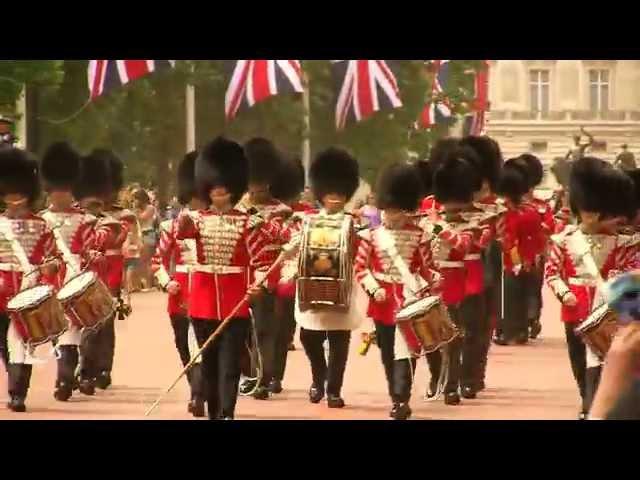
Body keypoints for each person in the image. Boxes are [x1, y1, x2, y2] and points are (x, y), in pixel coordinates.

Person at [175, 136, 282, 420]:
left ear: (233, 189)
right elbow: (181, 240)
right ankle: (213, 413)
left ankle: (227, 413)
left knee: (230, 365)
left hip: (236, 301)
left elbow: (262, 259)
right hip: (202, 301)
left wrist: (257, 284)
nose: (219, 194)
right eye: (214, 189)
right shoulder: (195, 220)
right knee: (208, 364)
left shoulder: (248, 222)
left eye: (224, 189)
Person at [545, 157, 638, 419]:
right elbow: (552, 273)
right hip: (575, 305)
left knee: (601, 360)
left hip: (605, 308)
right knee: (578, 358)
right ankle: (585, 398)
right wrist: (565, 294)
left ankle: (591, 405)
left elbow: (625, 269)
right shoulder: (564, 240)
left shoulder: (623, 242)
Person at [355, 162, 438, 419]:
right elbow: (361, 268)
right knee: (389, 352)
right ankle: (395, 393)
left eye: (396, 211)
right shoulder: (371, 236)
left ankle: (401, 398)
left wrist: (435, 281)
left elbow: (427, 268)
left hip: (408, 299)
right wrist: (373, 288)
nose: (392, 216)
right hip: (381, 300)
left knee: (407, 350)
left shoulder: (420, 236)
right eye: (388, 211)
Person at [284, 148, 362, 408]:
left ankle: (334, 390)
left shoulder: (354, 223)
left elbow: (361, 252)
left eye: (340, 193)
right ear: (321, 194)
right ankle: (319, 376)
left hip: (341, 287)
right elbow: (296, 248)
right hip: (311, 285)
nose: (335, 198)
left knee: (339, 340)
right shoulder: (306, 221)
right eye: (330, 193)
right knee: (309, 336)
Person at [39, 142, 107, 402]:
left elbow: (92, 248)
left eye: (65, 191)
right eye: (57, 191)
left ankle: (64, 378)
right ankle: (67, 375)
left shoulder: (85, 220)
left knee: (73, 331)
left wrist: (93, 257)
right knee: (59, 333)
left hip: (76, 280)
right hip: (51, 281)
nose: (61, 195)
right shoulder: (41, 220)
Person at [0, 147, 62, 412]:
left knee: (20, 343)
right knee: (5, 344)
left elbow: (54, 257)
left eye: (19, 194)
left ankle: (18, 393)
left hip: (26, 290)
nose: (15, 200)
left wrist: (49, 268)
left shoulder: (42, 225)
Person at [152, 151, 207, 418]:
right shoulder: (170, 226)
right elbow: (157, 261)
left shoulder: (217, 221)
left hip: (208, 289)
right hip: (181, 291)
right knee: (185, 347)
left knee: (202, 346)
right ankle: (197, 387)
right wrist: (166, 282)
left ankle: (199, 394)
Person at [236, 138, 290, 400]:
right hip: (239, 275)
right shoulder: (237, 208)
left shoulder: (281, 209)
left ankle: (264, 376)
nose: (256, 189)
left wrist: (261, 222)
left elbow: (283, 237)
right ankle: (249, 374)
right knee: (240, 332)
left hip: (268, 275)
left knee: (265, 330)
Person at [459, 135, 504, 393]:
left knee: (483, 320)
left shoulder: (494, 206)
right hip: (456, 263)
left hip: (485, 259)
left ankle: (473, 373)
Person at [494, 158, 545, 346]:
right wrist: (531, 259)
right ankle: (521, 329)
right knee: (521, 294)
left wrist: (515, 262)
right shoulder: (530, 210)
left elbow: (509, 240)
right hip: (528, 258)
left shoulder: (508, 212)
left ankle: (508, 331)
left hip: (512, 259)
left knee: (509, 296)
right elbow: (538, 238)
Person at [515, 153, 556, 339]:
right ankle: (519, 321)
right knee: (517, 288)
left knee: (534, 287)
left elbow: (549, 226)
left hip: (537, 252)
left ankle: (532, 318)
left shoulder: (541, 205)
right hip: (516, 253)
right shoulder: (513, 205)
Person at [132, 188, 157, 291]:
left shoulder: (150, 208)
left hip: (148, 234)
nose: (134, 201)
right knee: (141, 260)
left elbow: (143, 218)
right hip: (140, 234)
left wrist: (136, 211)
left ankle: (148, 285)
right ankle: (143, 283)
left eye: (136, 199)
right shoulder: (138, 209)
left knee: (146, 260)